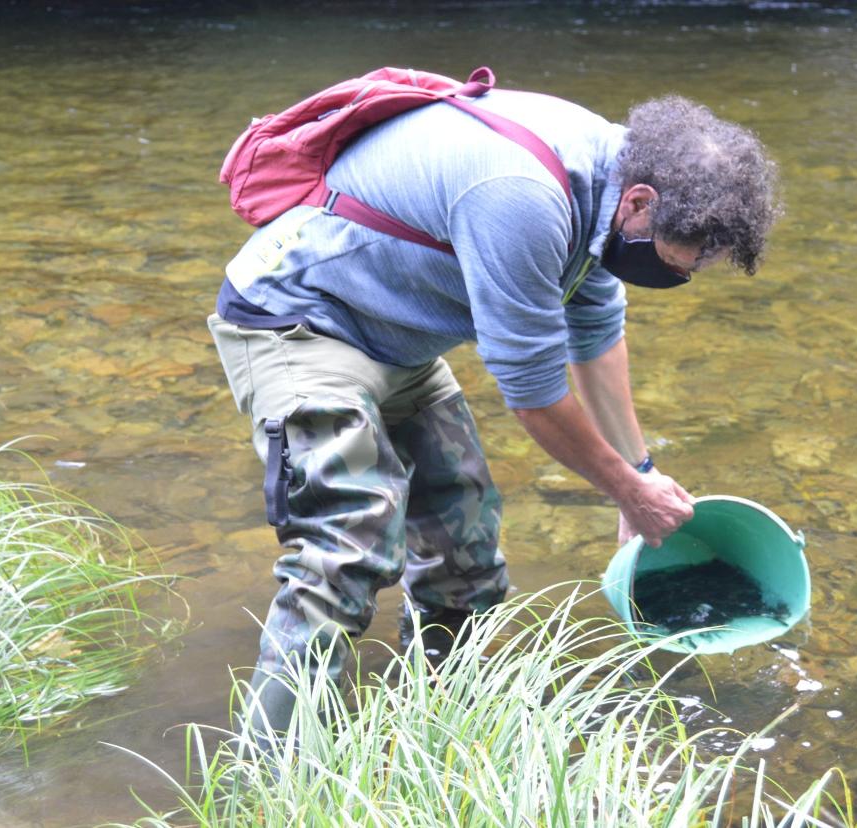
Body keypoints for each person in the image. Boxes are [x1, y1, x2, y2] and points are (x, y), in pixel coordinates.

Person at [207, 85, 780, 733]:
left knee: (467, 550)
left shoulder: (611, 186)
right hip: (299, 322)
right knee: (346, 550)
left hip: (397, 339)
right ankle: (265, 781)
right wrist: (627, 490)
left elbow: (593, 337)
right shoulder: (523, 196)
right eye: (684, 261)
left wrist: (637, 474)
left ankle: (437, 722)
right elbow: (534, 393)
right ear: (641, 205)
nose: (684, 276)